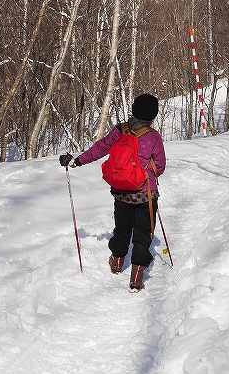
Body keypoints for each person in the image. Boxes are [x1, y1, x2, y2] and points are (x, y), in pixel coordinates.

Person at [60, 94, 166, 291]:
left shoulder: (120, 130)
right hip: (145, 193)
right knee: (143, 233)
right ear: (153, 116)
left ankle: (117, 262)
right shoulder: (153, 137)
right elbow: (160, 167)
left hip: (121, 191)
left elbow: (100, 149)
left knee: (122, 227)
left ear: (134, 110)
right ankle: (136, 276)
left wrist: (78, 161)